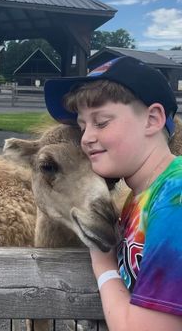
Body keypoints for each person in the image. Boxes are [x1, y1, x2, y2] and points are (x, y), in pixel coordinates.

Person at [44, 56, 182, 330]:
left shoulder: (174, 199)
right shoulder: (141, 196)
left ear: (152, 119)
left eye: (101, 122)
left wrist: (104, 266)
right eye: (83, 126)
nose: (86, 138)